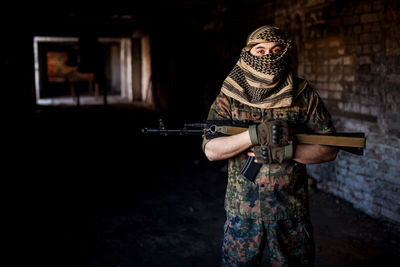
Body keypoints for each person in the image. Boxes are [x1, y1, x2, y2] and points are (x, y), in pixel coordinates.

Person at [202, 26, 338, 266]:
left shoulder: (303, 94)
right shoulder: (230, 95)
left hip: (289, 209)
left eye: (276, 50)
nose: (269, 57)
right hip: (242, 208)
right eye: (260, 50)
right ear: (249, 54)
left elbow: (330, 147)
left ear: (285, 52)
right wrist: (254, 135)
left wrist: (288, 152)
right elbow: (212, 150)